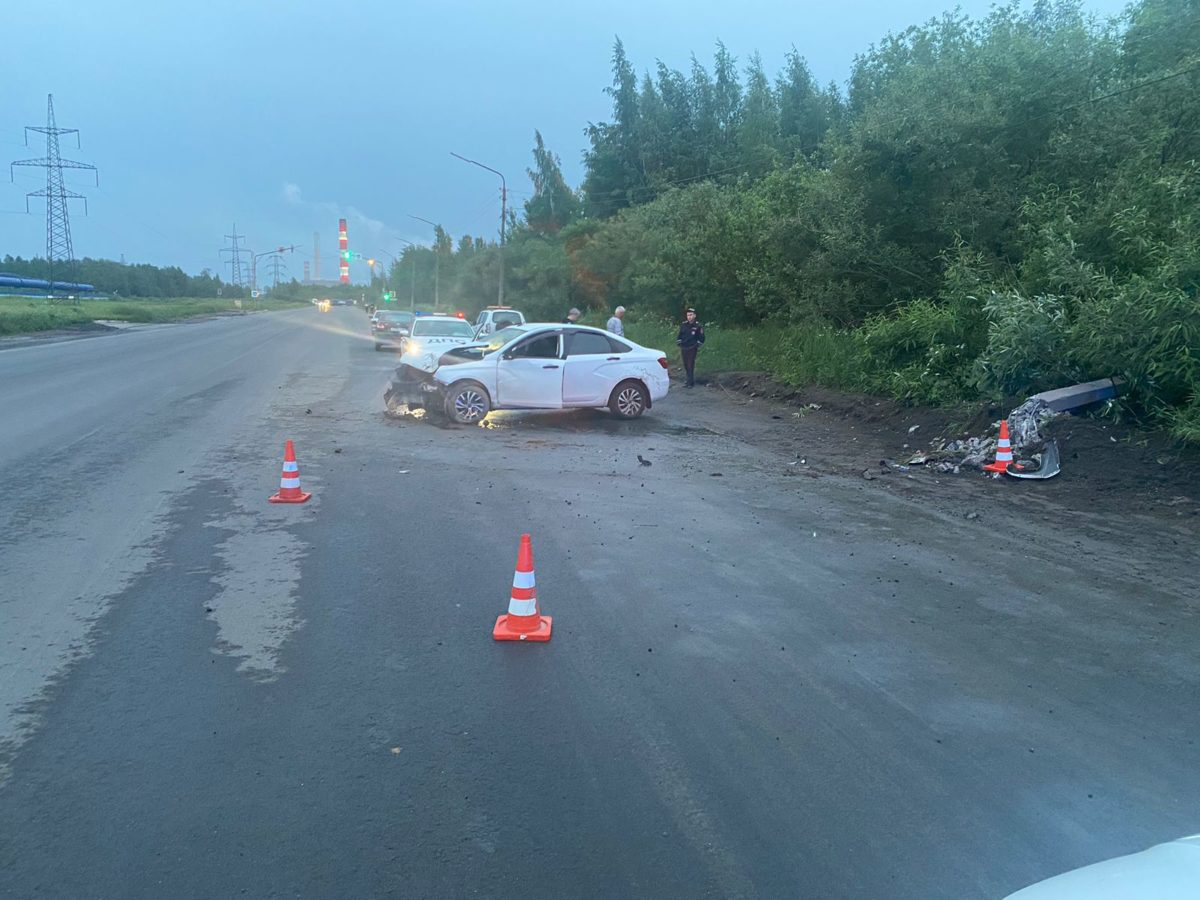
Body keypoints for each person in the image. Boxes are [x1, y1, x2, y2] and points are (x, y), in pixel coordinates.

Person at [675, 308, 705, 388]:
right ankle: (688, 380)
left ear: (694, 316)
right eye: (688, 315)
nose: (689, 317)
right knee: (685, 364)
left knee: (690, 364)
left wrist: (697, 345)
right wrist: (679, 342)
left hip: (692, 347)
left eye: (691, 315)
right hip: (684, 347)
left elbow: (701, 337)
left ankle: (690, 382)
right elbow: (680, 335)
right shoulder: (684, 325)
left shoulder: (698, 326)